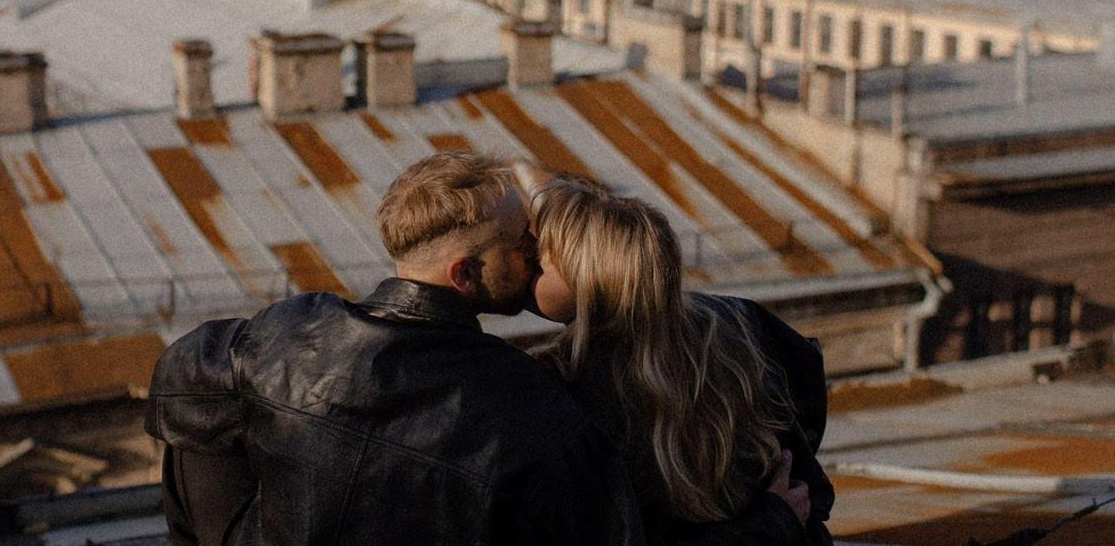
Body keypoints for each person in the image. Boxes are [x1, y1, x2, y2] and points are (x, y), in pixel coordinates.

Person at [145, 151, 647, 546]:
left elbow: (175, 379)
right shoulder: (533, 408)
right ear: (465, 275)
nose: (537, 252)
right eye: (522, 243)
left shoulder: (294, 330)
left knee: (206, 414)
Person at [530, 175, 836, 546]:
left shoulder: (558, 382)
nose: (527, 265)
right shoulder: (732, 333)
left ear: (588, 278)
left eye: (539, 257)